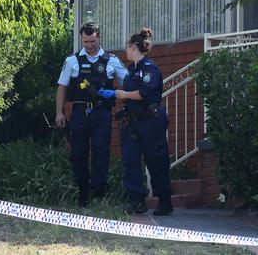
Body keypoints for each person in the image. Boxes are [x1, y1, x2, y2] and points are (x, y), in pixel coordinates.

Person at [99, 28, 173, 216]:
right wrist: (116, 94)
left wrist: (124, 94)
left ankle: (164, 202)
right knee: (130, 161)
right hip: (132, 124)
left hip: (151, 123)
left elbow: (145, 93)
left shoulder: (149, 69)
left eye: (127, 47)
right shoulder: (131, 71)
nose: (125, 51)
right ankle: (137, 201)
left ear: (133, 47)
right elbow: (130, 95)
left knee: (156, 162)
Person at [55, 21, 128, 207]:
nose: (89, 45)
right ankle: (83, 191)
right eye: (85, 41)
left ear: (99, 37)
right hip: (79, 112)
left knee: (101, 152)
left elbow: (128, 82)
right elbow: (62, 88)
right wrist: (59, 113)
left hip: (101, 113)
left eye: (92, 41)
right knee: (78, 154)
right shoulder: (72, 61)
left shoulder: (111, 60)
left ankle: (99, 191)